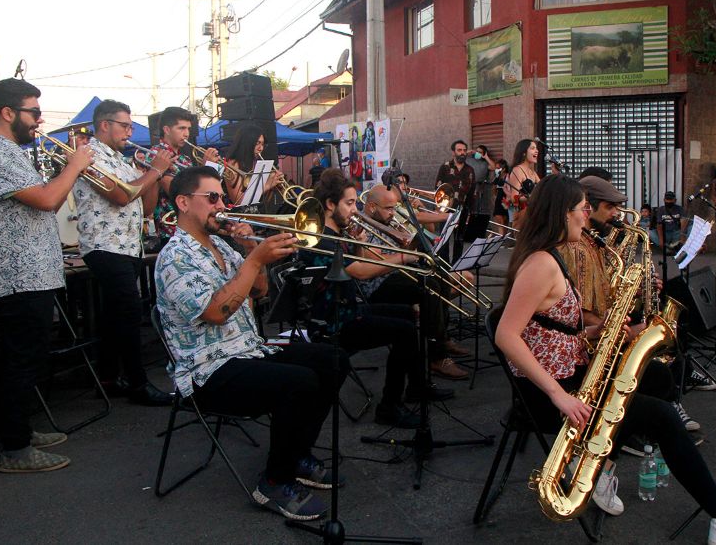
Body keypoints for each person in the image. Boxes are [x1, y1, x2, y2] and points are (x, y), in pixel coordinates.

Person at [495, 175, 716, 545]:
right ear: (561, 214)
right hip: (552, 391)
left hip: (570, 368)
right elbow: (506, 334)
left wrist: (600, 330)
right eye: (581, 210)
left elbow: (544, 329)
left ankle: (600, 465)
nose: (587, 218)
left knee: (653, 376)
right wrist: (559, 395)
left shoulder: (550, 256)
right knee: (664, 417)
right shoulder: (541, 264)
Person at [155, 166, 345, 521]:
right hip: (206, 370)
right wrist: (255, 259)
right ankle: (274, 482)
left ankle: (297, 454)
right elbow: (216, 312)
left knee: (332, 359)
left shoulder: (222, 247)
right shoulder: (174, 257)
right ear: (183, 202)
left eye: (222, 197)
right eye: (211, 198)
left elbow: (259, 292)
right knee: (299, 384)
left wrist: (247, 250)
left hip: (247, 350)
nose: (222, 205)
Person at [0, 78, 94, 472]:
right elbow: (47, 199)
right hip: (18, 276)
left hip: (30, 273)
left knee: (19, 359)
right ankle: (15, 447)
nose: (39, 121)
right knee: (23, 360)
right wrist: (74, 165)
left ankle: (12, 428)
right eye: (34, 112)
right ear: (8, 113)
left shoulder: (5, 150)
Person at [302, 169, 448, 425]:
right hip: (334, 321)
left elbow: (356, 262)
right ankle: (389, 407)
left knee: (407, 315)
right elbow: (360, 271)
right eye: (349, 204)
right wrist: (403, 258)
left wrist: (358, 241)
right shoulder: (323, 239)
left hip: (348, 309)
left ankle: (416, 386)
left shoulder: (337, 233)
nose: (355, 210)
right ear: (329, 204)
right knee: (403, 331)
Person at [571, 176, 701, 435]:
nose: (616, 214)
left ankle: (664, 408)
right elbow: (578, 313)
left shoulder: (593, 243)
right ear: (589, 208)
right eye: (610, 207)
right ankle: (639, 425)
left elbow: (600, 293)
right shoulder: (576, 249)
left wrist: (640, 291)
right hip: (591, 344)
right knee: (658, 367)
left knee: (667, 344)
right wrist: (622, 330)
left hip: (600, 330)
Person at [74, 99, 177, 405]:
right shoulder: (90, 156)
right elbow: (121, 196)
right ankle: (137, 383)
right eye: (125, 125)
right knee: (130, 312)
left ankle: (107, 379)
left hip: (128, 245)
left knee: (114, 316)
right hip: (104, 246)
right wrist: (156, 170)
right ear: (104, 125)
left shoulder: (123, 160)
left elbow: (144, 207)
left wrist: (154, 174)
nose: (130, 132)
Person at [358, 183, 466, 384]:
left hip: (395, 272)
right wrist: (401, 253)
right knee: (429, 287)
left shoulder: (386, 219)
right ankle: (437, 355)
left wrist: (410, 240)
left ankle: (440, 341)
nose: (393, 213)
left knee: (438, 279)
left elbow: (417, 236)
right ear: (372, 206)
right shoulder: (360, 224)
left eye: (394, 208)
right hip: (377, 283)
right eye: (389, 208)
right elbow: (367, 255)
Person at [139, 106, 220, 245]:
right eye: (181, 128)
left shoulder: (184, 158)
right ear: (166, 130)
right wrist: (206, 168)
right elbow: (177, 190)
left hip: (191, 226)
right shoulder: (157, 155)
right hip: (171, 228)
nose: (187, 134)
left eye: (188, 129)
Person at [224, 123, 285, 207]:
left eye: (263, 144)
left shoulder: (255, 163)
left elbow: (262, 201)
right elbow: (238, 202)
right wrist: (267, 185)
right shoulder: (234, 164)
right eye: (257, 143)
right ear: (247, 142)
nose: (261, 148)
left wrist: (273, 187)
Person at [435, 139, 476, 257]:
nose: (462, 153)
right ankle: (444, 268)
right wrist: (437, 209)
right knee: (444, 241)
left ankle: (455, 270)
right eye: (459, 150)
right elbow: (437, 188)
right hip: (445, 210)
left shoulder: (470, 170)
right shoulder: (445, 167)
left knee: (459, 240)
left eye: (464, 150)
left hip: (462, 210)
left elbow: (472, 193)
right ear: (453, 152)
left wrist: (470, 212)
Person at [504, 139, 540, 227]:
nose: (537, 151)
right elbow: (513, 198)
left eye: (536, 148)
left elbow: (542, 188)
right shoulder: (518, 170)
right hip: (523, 216)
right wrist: (531, 197)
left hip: (533, 214)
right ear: (524, 152)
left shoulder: (533, 172)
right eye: (532, 148)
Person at [492, 159, 511, 235]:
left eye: (498, 168)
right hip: (499, 199)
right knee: (499, 219)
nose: (496, 170)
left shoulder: (508, 176)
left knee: (505, 220)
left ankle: (503, 238)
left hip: (506, 199)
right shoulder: (497, 177)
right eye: (496, 168)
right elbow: (493, 189)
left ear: (504, 169)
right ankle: (501, 238)